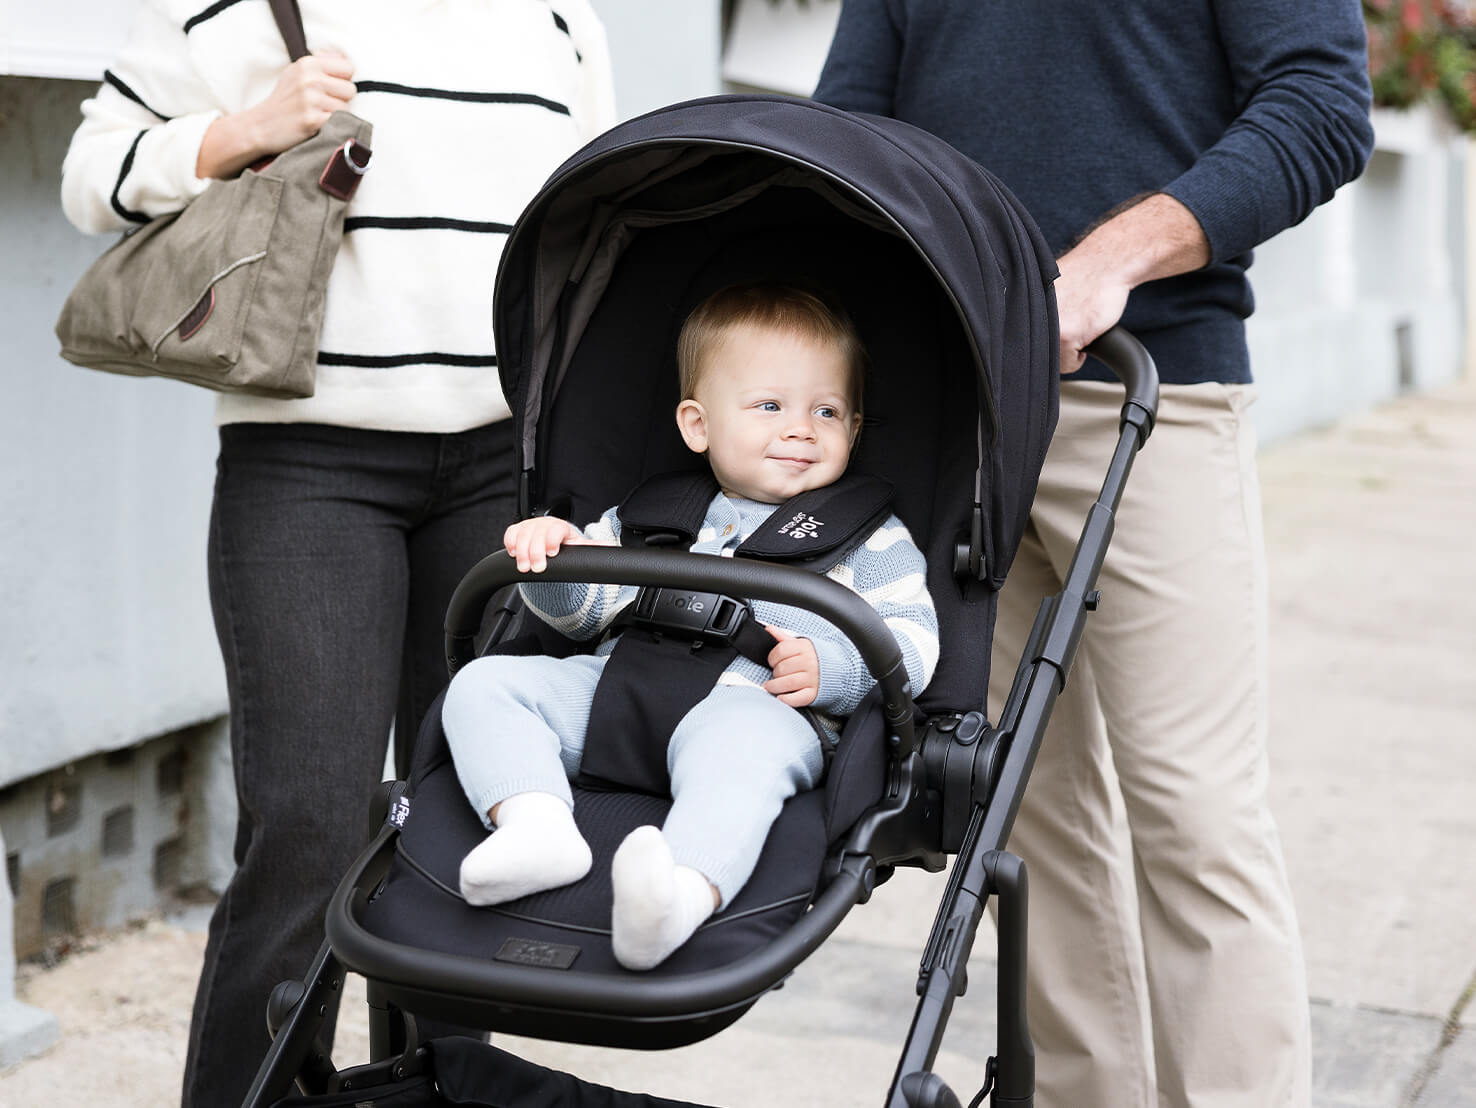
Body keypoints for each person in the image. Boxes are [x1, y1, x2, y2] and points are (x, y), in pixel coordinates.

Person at [814, 4, 1373, 1106]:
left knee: (1195, 816)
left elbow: (1320, 105)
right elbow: (852, 129)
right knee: (1026, 809)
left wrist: (1110, 258)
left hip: (1148, 393)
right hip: (960, 413)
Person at [58, 2, 615, 1103]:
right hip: (311, 464)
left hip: (505, 469)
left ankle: (442, 1087)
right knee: (310, 826)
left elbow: (599, 228)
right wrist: (237, 133)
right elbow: (92, 172)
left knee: (465, 826)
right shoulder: (239, 8)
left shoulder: (562, 16)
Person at [441, 282, 939, 970]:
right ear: (698, 425)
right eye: (769, 406)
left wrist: (838, 669)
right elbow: (586, 616)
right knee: (487, 684)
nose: (801, 428)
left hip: (750, 710)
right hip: (617, 695)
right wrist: (553, 561)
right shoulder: (650, 516)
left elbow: (913, 645)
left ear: (854, 430)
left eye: (827, 410)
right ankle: (536, 825)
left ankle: (676, 897)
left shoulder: (873, 541)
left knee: (743, 758)